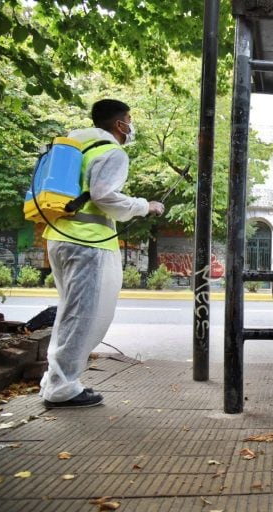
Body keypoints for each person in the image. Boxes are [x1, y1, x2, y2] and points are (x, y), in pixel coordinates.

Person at [39, 99, 165, 408]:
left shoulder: (76, 146)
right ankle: (62, 387)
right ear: (121, 124)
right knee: (84, 317)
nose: (131, 126)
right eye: (130, 120)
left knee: (70, 313)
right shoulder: (112, 151)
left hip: (60, 238)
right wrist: (145, 206)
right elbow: (104, 196)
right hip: (88, 244)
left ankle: (55, 380)